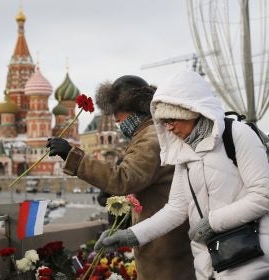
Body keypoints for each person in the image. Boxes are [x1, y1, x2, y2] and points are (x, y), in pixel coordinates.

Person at [94, 71, 269, 280]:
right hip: (211, 266)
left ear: (192, 110)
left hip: (251, 261)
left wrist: (212, 222)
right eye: (164, 121)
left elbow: (263, 195)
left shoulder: (238, 134)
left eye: (172, 119)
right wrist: (131, 235)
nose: (169, 127)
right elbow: (176, 209)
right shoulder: (184, 152)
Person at [46, 75, 195, 280]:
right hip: (162, 238)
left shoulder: (150, 137)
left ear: (132, 108)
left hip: (165, 247)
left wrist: (72, 156)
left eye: (117, 112)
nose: (115, 120)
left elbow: (124, 179)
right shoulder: (147, 133)